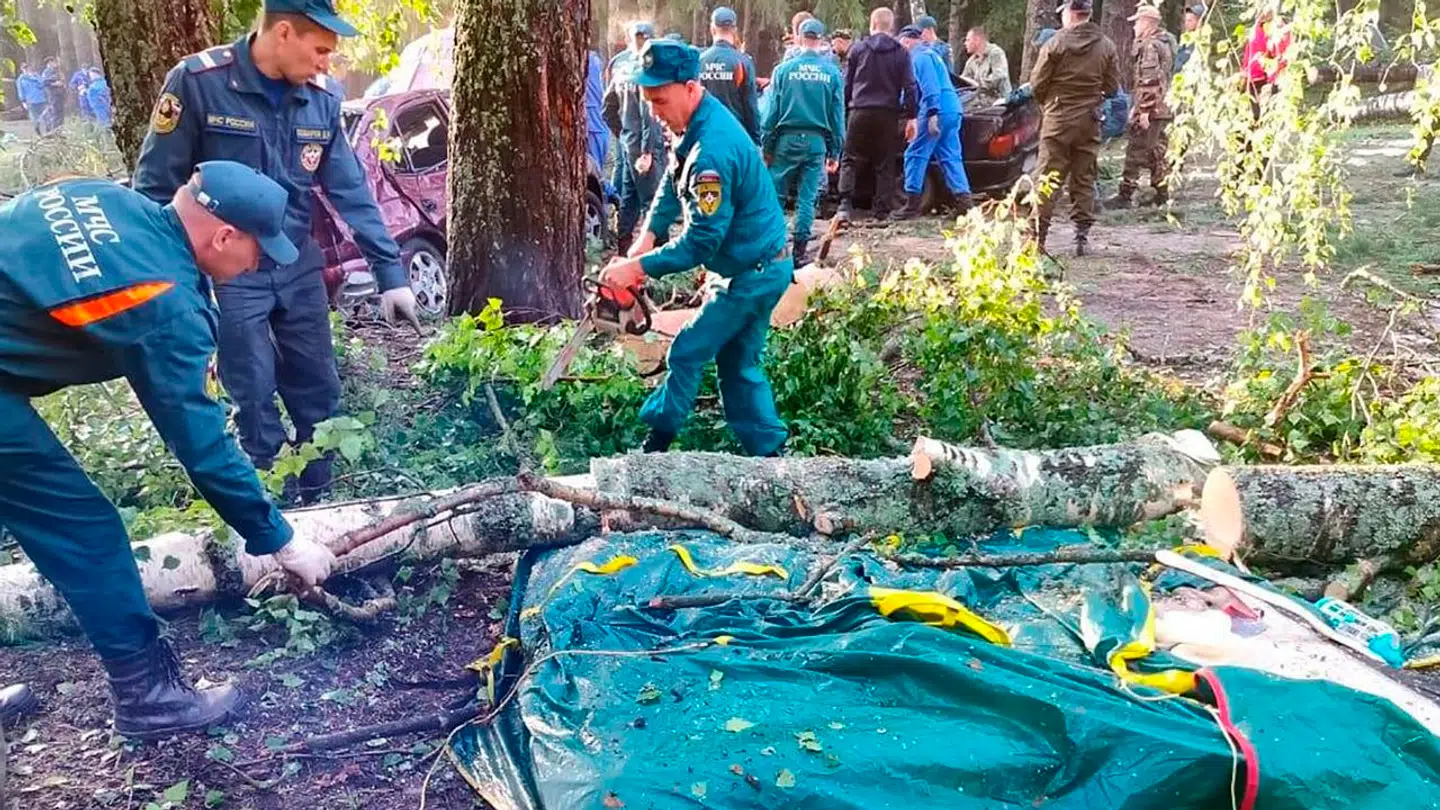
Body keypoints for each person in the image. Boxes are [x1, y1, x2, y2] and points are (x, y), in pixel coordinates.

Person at [0, 161, 338, 738]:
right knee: (87, 532)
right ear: (223, 235)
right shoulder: (164, 300)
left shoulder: (109, 197)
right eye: (259, 251)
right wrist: (280, 538)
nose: (257, 266)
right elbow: (200, 445)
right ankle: (148, 698)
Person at [132, 0, 420, 506]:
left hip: (294, 264)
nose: (328, 62)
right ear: (283, 32)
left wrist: (389, 273)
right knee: (254, 397)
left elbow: (349, 190)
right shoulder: (199, 83)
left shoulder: (321, 100)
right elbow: (155, 190)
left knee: (319, 394)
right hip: (227, 273)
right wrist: (173, 285)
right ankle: (275, 515)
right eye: (321, 48)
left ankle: (326, 506)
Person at [598, 40, 791, 459]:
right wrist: (647, 237)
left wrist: (638, 270)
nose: (653, 111)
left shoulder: (712, 153)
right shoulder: (696, 124)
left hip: (750, 274)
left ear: (689, 87)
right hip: (757, 264)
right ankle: (771, 457)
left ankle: (655, 446)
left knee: (687, 350)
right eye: (647, 100)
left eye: (659, 100)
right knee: (738, 363)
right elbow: (671, 179)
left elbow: (702, 241)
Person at [1029, 0, 1119, 257]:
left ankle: (1038, 238)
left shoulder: (1055, 43)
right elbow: (1112, 87)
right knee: (1084, 177)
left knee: (1047, 177)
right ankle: (1081, 237)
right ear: (1088, 13)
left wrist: (1051, 104)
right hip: (1089, 120)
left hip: (1058, 118)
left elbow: (1037, 84)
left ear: (1070, 13)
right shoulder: (1107, 45)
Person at [763, 17, 844, 264]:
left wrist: (767, 146)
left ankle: (773, 247)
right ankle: (799, 252)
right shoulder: (832, 73)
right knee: (807, 198)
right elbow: (837, 117)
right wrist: (835, 151)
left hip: (785, 141)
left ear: (798, 38)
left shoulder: (783, 71)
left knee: (775, 195)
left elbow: (771, 114)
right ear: (821, 41)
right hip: (816, 142)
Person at [837, 7, 917, 223]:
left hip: (859, 110)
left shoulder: (858, 49)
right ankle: (881, 211)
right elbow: (910, 87)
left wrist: (846, 110)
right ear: (891, 27)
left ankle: (844, 205)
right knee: (885, 162)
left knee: (850, 157)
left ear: (872, 25)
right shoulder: (901, 53)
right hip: (887, 113)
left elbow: (848, 83)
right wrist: (912, 116)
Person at [894, 26, 972, 220]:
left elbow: (930, 87)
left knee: (915, 153)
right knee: (950, 156)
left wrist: (932, 113)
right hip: (953, 108)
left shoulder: (918, 57)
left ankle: (912, 205)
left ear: (906, 41)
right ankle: (965, 204)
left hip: (936, 109)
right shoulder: (933, 55)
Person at [605, 20, 666, 255]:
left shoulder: (621, 68)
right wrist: (647, 151)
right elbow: (648, 113)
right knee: (654, 201)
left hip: (628, 144)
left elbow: (607, 107)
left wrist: (622, 134)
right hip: (644, 147)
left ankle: (623, 250)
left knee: (628, 200)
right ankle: (661, 258)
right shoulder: (646, 69)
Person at [1107, 5, 1174, 209]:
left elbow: (1150, 80)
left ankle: (1126, 194)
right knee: (1156, 150)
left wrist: (1143, 109)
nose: (1135, 26)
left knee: (1136, 149)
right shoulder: (1164, 42)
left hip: (1152, 108)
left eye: (1137, 22)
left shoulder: (1149, 47)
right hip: (1161, 107)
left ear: (1148, 23)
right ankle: (1162, 192)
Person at [699, 6, 761, 145]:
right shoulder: (742, 62)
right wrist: (756, 141)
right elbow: (750, 106)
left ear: (712, 29)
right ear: (734, 30)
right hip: (735, 136)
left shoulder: (700, 61)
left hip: (705, 136)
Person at [961, 26, 1012, 101]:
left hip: (1001, 102)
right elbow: (963, 81)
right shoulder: (971, 62)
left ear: (977, 40)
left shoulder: (995, 53)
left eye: (968, 40)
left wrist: (977, 84)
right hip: (982, 104)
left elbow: (1000, 77)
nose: (965, 43)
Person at [585, 48, 611, 193]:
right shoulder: (593, 60)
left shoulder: (587, 62)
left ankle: (609, 196)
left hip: (593, 126)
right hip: (598, 125)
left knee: (594, 173)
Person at [16, 65, 47, 136]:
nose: (27, 70)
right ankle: (38, 132)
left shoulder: (36, 76)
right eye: (25, 68)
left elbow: (42, 84)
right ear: (22, 70)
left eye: (28, 68)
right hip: (30, 101)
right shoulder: (21, 80)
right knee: (35, 117)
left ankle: (47, 131)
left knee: (45, 116)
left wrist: (35, 77)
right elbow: (20, 91)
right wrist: (23, 101)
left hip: (41, 99)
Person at [1174, 3, 1205, 71]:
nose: (1186, 23)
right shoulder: (1185, 35)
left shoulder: (1204, 33)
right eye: (1185, 20)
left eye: (1190, 21)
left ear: (1199, 21)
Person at [41, 56, 64, 132]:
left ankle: (59, 129)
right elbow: (45, 82)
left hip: (59, 94)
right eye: (54, 62)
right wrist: (55, 84)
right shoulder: (47, 72)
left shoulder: (56, 71)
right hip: (53, 95)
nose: (56, 64)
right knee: (55, 113)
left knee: (60, 113)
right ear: (50, 62)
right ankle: (53, 130)